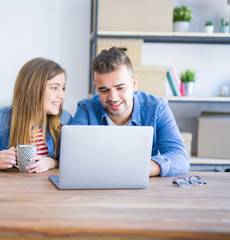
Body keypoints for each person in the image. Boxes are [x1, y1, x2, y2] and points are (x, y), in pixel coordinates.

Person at [71, 47, 189, 177]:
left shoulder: (157, 109)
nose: (113, 98)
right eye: (104, 90)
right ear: (96, 89)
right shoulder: (86, 109)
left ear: (134, 84)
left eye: (120, 88)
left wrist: (141, 168)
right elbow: (71, 154)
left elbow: (180, 158)